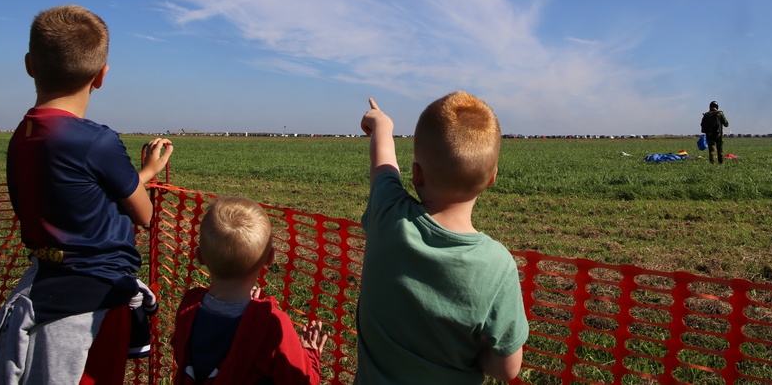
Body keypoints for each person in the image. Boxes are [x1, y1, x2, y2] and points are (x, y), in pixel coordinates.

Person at [0, 4, 174, 385]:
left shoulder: (23, 135)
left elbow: (77, 193)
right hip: (95, 300)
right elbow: (144, 214)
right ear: (101, 76)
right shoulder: (97, 141)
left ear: (30, 65)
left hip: (45, 283)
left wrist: (141, 174)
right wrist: (145, 176)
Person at [356, 92, 529, 385]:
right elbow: (507, 368)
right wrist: (477, 357)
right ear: (492, 178)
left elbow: (383, 166)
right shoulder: (497, 265)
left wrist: (382, 125)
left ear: (416, 175)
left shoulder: (388, 216)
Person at [171, 196, 327, 385]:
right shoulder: (272, 324)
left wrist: (251, 311)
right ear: (270, 258)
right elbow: (302, 380)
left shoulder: (188, 307)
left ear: (199, 256)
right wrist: (310, 354)